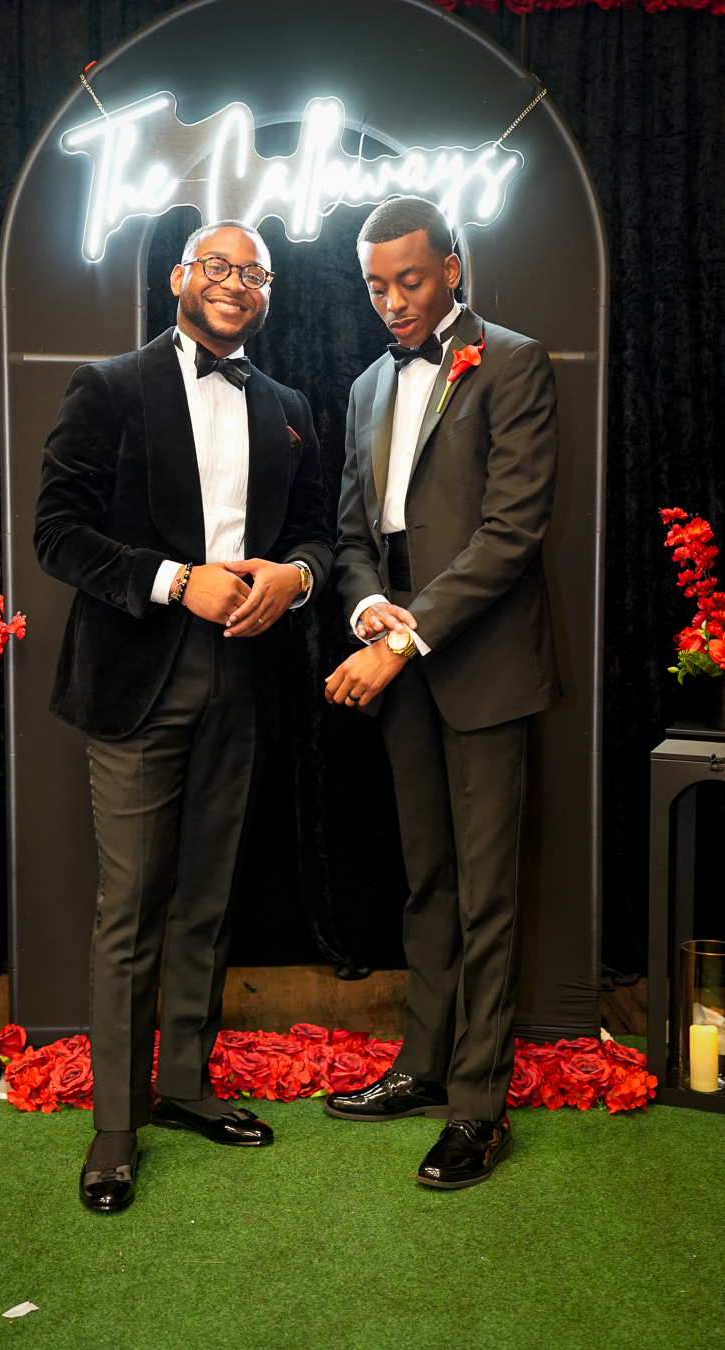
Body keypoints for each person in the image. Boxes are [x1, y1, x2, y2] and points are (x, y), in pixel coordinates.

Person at [34, 220, 332, 1213]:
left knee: (209, 895)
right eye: (217, 265)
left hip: (244, 677)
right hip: (136, 679)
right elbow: (56, 533)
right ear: (178, 278)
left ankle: (185, 1084)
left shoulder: (288, 406)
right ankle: (117, 1128)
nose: (236, 282)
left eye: (255, 272)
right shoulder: (109, 387)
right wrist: (173, 579)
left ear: (268, 293)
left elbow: (315, 534)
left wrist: (295, 578)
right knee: (131, 906)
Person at [324, 196, 559, 1189]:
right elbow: (351, 535)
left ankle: (477, 1109)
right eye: (376, 286)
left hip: (481, 663)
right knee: (427, 878)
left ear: (452, 269)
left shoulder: (515, 361)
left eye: (410, 280)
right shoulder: (365, 386)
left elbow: (511, 531)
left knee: (488, 892)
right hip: (403, 657)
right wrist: (366, 605)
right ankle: (422, 1066)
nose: (393, 302)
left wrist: (405, 637)